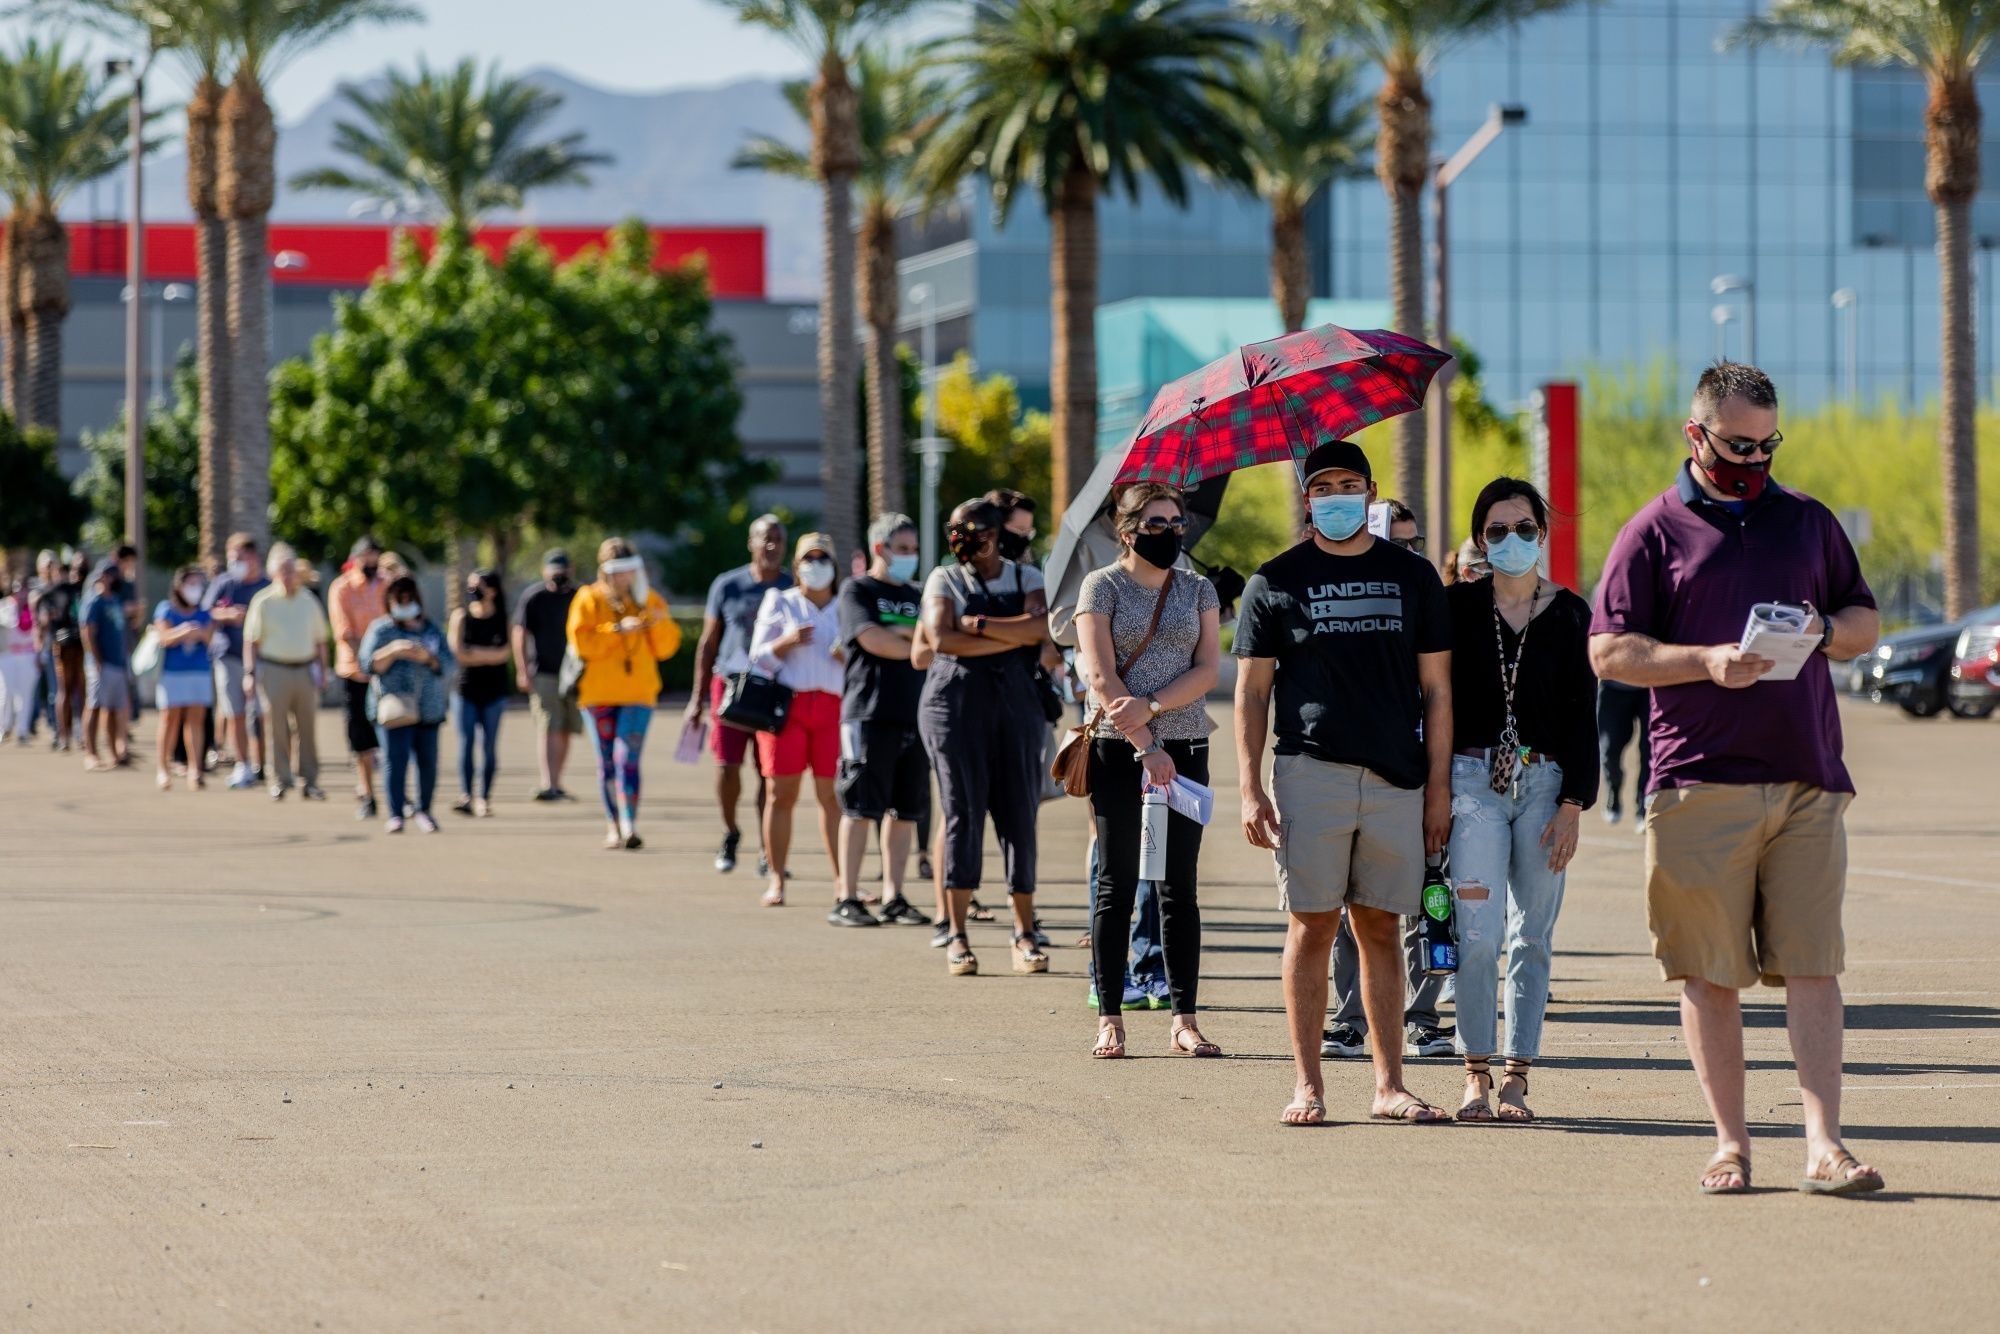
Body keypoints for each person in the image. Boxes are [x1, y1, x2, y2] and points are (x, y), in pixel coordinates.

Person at [1590, 361, 1884, 1196]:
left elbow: (1863, 621)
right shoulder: (1651, 532)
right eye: (1736, 444)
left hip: (1806, 780)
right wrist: (1705, 661)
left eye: (1766, 445)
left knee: (1814, 965)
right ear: (1697, 435)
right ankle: (1731, 1145)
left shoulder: (1807, 523)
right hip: (1697, 784)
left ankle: (1825, 1145)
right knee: (1709, 972)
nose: (1753, 460)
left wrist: (1823, 627)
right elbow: (1610, 650)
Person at [1235, 439, 1454, 1126]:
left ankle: (1390, 1085)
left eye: (1348, 484)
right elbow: (1251, 694)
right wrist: (1249, 787)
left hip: (1396, 777)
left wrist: (1439, 788)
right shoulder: (1274, 580)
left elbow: (1438, 690)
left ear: (1370, 491)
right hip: (1310, 773)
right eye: (1323, 487)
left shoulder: (1412, 576)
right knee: (1312, 926)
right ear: (1307, 498)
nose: (1336, 497)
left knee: (1383, 927)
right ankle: (1309, 1085)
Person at [1444, 479, 1598, 1123]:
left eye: (1525, 529)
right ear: (1481, 538)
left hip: (1544, 786)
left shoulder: (1570, 613)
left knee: (1531, 935)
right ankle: (1474, 1072)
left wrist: (1574, 805)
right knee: (1476, 936)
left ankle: (1517, 1076)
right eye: (1498, 531)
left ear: (1543, 533)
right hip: (1471, 783)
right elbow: (1435, 703)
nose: (1512, 541)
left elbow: (1584, 715)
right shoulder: (1454, 608)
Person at [1074, 483, 1224, 1059]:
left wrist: (1157, 709)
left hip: (1185, 745)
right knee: (1116, 882)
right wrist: (1144, 743)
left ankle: (1184, 1017)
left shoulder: (1197, 588)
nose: (1170, 532)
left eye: (1176, 522)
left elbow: (1208, 668)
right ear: (1128, 530)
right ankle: (1111, 1014)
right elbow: (1100, 676)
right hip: (1119, 749)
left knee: (1177, 887)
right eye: (1157, 523)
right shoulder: (1102, 586)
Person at [1323, 497, 1454, 1061]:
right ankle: (1351, 1016)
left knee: (1432, 900)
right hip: (1358, 774)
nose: (1408, 554)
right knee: (1355, 907)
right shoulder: (1345, 607)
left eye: (1415, 543)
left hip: (1422, 774)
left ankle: (1424, 1015)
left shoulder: (1428, 597)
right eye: (1396, 542)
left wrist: (1443, 783)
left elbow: (1442, 691)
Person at [918, 498, 1053, 977]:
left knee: (1020, 813)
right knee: (962, 812)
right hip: (952, 708)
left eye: (972, 531)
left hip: (1017, 706)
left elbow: (1042, 628)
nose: (963, 541)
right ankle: (957, 934)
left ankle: (1024, 932)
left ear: (995, 535)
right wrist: (1010, 634)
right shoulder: (944, 577)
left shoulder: (1026, 577)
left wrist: (974, 623)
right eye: (955, 531)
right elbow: (940, 640)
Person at [830, 514, 933, 928]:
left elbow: (936, 642)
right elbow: (873, 640)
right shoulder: (857, 590)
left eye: (913, 549)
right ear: (880, 549)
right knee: (860, 807)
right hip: (868, 715)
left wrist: (909, 641)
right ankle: (847, 896)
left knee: (905, 811)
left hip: (916, 715)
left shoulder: (920, 593)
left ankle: (894, 895)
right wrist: (915, 641)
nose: (910, 557)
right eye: (903, 549)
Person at [686, 515, 791, 873]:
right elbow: (709, 642)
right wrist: (696, 699)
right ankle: (730, 832)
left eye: (778, 539)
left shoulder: (793, 586)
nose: (772, 546)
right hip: (730, 686)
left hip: (773, 689)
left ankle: (768, 848)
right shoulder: (728, 585)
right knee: (728, 766)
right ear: (752, 543)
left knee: (770, 772)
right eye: (766, 539)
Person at [748, 532, 846, 909]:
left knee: (832, 796)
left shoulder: (844, 605)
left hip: (833, 709)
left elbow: (865, 660)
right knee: (780, 794)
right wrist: (784, 643)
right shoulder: (782, 602)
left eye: (823, 558)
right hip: (787, 708)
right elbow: (759, 656)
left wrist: (846, 658)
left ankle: (843, 881)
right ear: (797, 565)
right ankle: (777, 877)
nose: (816, 565)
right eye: (809, 558)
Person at [567, 538, 682, 849]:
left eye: (630, 570)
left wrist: (655, 623)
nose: (624, 578)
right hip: (598, 694)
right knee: (606, 762)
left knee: (626, 758)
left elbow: (667, 647)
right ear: (605, 571)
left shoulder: (649, 600)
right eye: (618, 571)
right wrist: (617, 630)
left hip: (638, 694)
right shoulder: (588, 599)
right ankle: (613, 825)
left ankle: (630, 823)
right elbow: (582, 644)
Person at [359, 576, 455, 833]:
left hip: (428, 706)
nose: (404, 605)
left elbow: (448, 664)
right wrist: (393, 651)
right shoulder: (381, 630)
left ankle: (424, 810)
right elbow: (367, 664)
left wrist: (427, 658)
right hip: (394, 707)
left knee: (428, 762)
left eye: (408, 600)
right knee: (395, 759)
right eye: (398, 601)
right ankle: (395, 812)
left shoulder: (431, 629)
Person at [244, 545, 330, 801]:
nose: (288, 575)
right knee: (276, 728)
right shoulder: (263, 601)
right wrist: (250, 673)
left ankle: (309, 780)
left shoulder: (308, 601)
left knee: (307, 728)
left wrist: (323, 671)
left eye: (291, 570)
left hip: (304, 669)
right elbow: (252, 640)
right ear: (273, 573)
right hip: (274, 669)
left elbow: (320, 641)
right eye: (283, 570)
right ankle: (279, 779)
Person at [203, 533, 271, 789]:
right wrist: (227, 614)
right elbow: (205, 611)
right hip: (228, 656)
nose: (236, 563)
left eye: (240, 558)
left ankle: (262, 763)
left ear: (253, 557)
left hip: (263, 659)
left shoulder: (267, 585)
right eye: (232, 558)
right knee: (236, 714)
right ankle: (243, 765)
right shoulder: (223, 583)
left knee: (262, 714)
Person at [513, 550, 582, 801]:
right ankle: (548, 783)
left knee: (565, 727)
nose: (559, 575)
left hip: (573, 675)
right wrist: (522, 670)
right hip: (544, 672)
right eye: (554, 570)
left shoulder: (580, 596)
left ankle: (557, 781)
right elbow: (519, 632)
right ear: (545, 571)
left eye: (563, 570)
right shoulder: (534, 597)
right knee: (549, 726)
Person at [329, 537, 388, 819]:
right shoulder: (342, 588)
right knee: (361, 739)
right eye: (366, 557)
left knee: (391, 734)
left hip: (387, 674)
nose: (371, 562)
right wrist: (369, 660)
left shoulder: (388, 585)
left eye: (375, 556)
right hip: (356, 673)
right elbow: (345, 632)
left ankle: (397, 793)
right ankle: (367, 794)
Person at [450, 570, 512, 817]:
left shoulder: (503, 618)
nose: (474, 590)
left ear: (493, 590)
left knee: (489, 745)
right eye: (471, 585)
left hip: (495, 690)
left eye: (480, 585)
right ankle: (466, 795)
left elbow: (505, 653)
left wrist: (475, 653)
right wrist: (487, 655)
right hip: (466, 690)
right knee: (465, 743)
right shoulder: (461, 617)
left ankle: (484, 797)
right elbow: (459, 653)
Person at [151, 565, 218, 791]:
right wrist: (184, 632)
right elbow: (163, 637)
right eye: (191, 583)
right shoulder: (166, 609)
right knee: (170, 719)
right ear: (179, 586)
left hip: (199, 671)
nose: (195, 588)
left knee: (196, 720)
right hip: (173, 673)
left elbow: (210, 638)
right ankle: (163, 768)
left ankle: (195, 769)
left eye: (198, 584)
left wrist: (200, 632)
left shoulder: (203, 612)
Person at [79, 561, 133, 770]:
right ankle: (90, 753)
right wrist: (96, 660)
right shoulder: (94, 602)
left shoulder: (116, 600)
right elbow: (87, 632)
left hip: (118, 662)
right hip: (100, 664)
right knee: (94, 707)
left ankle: (113, 752)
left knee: (113, 709)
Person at [36, 553, 87, 751]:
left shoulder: (80, 589)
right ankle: (63, 734)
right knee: (62, 690)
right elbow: (40, 606)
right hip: (61, 644)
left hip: (79, 644)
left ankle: (80, 733)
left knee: (81, 690)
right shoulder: (56, 589)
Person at [1597, 680, 1651, 827]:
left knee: (1650, 752)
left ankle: (1643, 804)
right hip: (1613, 685)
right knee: (1609, 750)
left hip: (1652, 685)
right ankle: (1614, 786)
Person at [0, 573, 37, 743]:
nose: (20, 592)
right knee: (6, 693)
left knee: (25, 695)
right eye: (17, 589)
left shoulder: (34, 607)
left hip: (27, 654)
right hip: (8, 655)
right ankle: (4, 726)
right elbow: (8, 625)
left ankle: (22, 730)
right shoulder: (5, 606)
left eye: (23, 588)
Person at [112, 543, 143, 722]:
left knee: (128, 683)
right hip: (112, 643)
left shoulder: (129, 584)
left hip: (127, 641)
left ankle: (125, 723)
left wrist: (137, 612)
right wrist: (125, 609)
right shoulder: (109, 580)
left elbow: (134, 619)